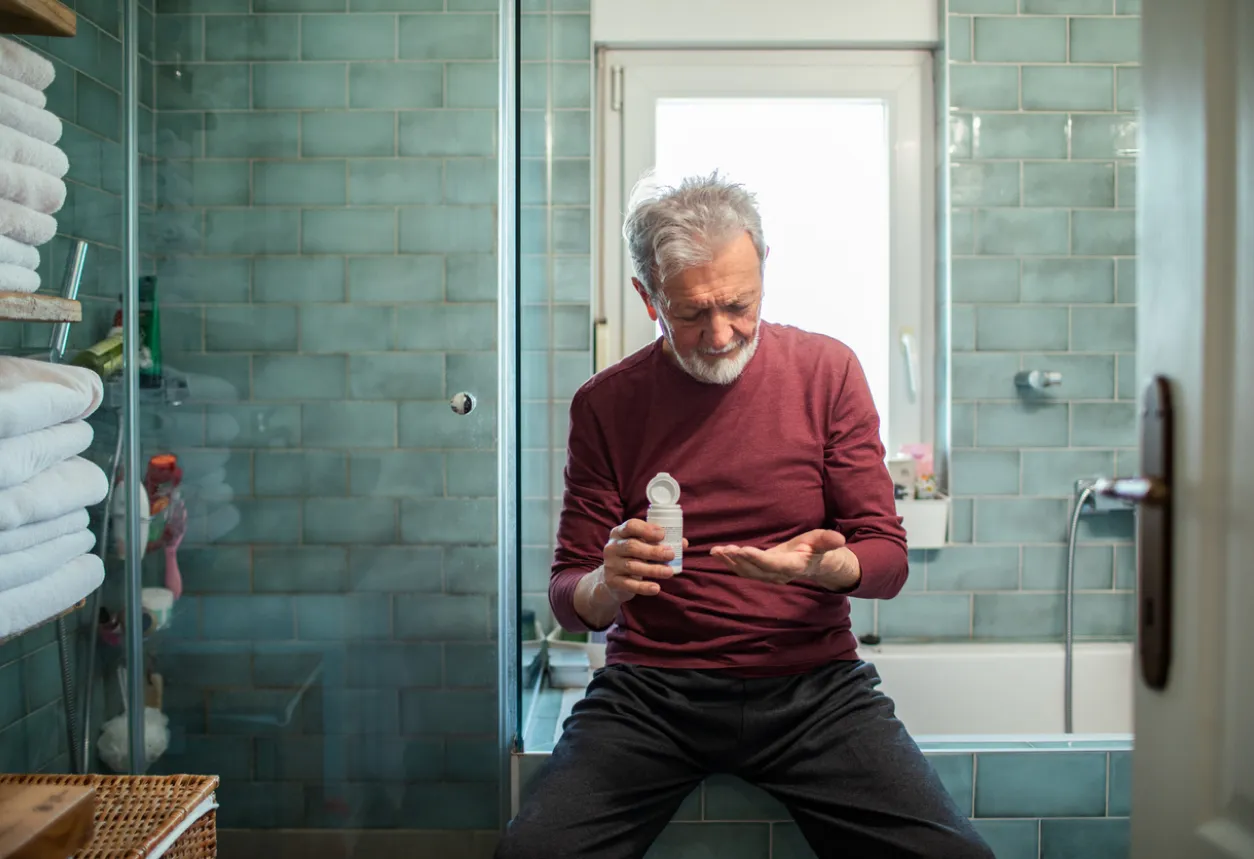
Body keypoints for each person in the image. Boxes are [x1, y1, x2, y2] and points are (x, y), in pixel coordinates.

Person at [497, 172, 994, 859]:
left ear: (764, 270)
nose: (720, 333)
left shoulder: (828, 373)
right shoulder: (606, 404)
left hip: (813, 689)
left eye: (739, 304)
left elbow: (887, 558)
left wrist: (828, 568)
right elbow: (567, 592)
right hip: (650, 693)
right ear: (647, 297)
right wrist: (606, 584)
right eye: (691, 313)